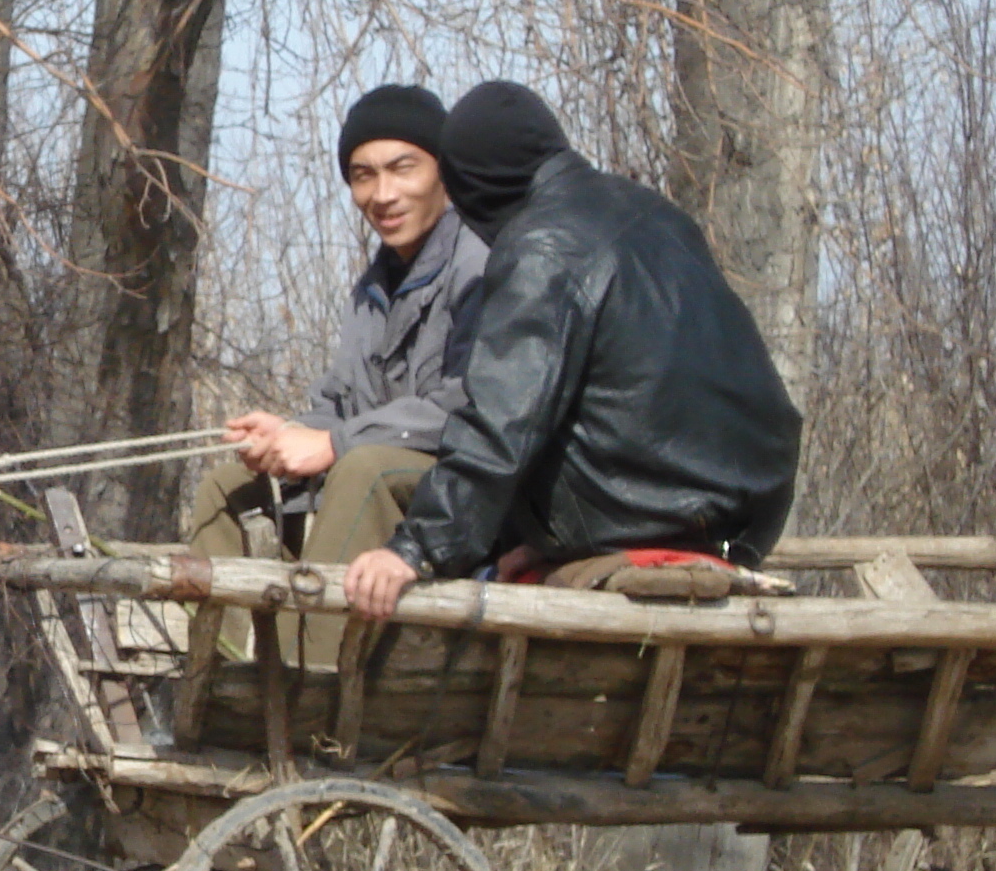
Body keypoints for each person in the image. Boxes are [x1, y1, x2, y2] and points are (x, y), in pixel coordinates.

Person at [341, 80, 801, 621]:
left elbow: (500, 425)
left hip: (648, 507)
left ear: (470, 184)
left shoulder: (541, 246)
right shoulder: (656, 213)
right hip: (746, 510)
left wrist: (415, 549)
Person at [187, 82, 486, 664]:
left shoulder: (481, 265)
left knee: (361, 470)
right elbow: (343, 399)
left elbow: (474, 407)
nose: (383, 194)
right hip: (385, 459)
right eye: (362, 175)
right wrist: (286, 435)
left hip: (468, 479)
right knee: (225, 488)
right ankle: (215, 670)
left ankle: (306, 686)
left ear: (444, 174)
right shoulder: (375, 286)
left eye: (403, 169)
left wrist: (333, 442)